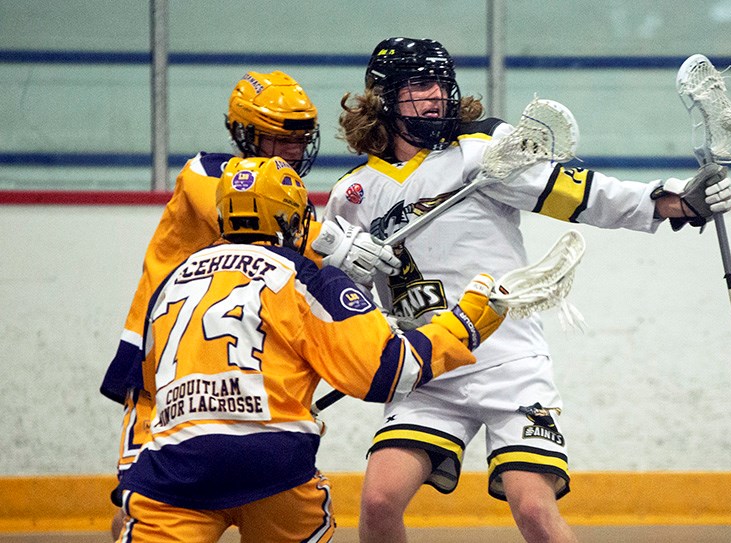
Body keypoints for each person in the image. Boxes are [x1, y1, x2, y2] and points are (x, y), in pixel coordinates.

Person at [325, 37, 731, 543]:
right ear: (384, 97)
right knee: (379, 500)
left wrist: (669, 201)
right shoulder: (352, 193)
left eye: (441, 82)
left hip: (508, 362)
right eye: (419, 84)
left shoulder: (480, 150)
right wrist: (355, 277)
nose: (435, 95)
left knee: (533, 509)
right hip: (428, 368)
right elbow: (337, 295)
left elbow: (576, 192)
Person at [112, 155, 506, 542]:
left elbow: (153, 386)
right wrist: (465, 325)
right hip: (271, 466)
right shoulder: (302, 276)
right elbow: (387, 372)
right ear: (292, 219)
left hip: (171, 466)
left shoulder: (173, 280)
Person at [101, 70, 399, 539]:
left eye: (301, 139)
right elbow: (233, 201)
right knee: (140, 495)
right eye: (279, 138)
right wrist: (332, 242)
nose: (295, 150)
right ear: (243, 133)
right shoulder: (208, 172)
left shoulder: (289, 202)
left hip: (235, 370)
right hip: (163, 367)